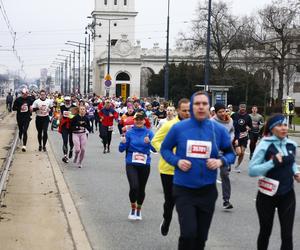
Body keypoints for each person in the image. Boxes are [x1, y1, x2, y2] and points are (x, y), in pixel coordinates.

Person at [160, 91, 236, 250]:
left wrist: (220, 161)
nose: (201, 107)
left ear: (209, 107)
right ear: (192, 106)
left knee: (201, 238)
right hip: (184, 190)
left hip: (207, 191)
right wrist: (177, 161)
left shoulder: (218, 130)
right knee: (188, 234)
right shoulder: (179, 128)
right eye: (197, 104)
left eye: (204, 104)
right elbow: (165, 149)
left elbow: (231, 154)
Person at [249, 114, 300, 250]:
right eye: (279, 125)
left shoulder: (292, 144)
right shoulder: (264, 145)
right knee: (266, 231)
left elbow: (291, 163)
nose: (283, 128)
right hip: (267, 195)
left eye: (285, 125)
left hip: (287, 194)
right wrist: (272, 163)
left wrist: (296, 172)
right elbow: (252, 170)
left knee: (287, 235)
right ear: (272, 128)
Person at [151, 98, 190, 236]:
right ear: (178, 111)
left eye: (189, 110)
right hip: (168, 169)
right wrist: (167, 153)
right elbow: (155, 140)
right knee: (170, 200)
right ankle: (167, 219)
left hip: (186, 170)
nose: (187, 113)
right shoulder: (169, 125)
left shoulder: (194, 126)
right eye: (184, 110)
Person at [119, 111, 155, 221]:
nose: (139, 121)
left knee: (141, 188)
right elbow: (121, 150)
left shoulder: (149, 133)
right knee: (134, 186)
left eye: (141, 119)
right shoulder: (129, 133)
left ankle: (139, 210)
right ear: (134, 121)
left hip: (145, 163)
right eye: (137, 119)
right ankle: (133, 208)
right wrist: (123, 142)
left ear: (144, 120)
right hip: (131, 163)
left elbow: (155, 149)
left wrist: (149, 143)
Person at [212, 103, 235, 209]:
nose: (222, 113)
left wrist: (228, 139)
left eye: (224, 111)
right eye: (220, 112)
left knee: (225, 174)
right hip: (213, 151)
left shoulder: (230, 121)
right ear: (215, 113)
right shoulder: (211, 122)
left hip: (225, 151)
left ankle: (226, 200)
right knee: (209, 175)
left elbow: (232, 132)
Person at [231, 103, 252, 173]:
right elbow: (229, 122)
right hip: (236, 136)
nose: (242, 109)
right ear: (239, 108)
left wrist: (249, 128)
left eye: (244, 108)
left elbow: (250, 126)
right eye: (241, 107)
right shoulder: (234, 115)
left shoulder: (248, 117)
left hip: (244, 136)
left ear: (245, 109)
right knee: (238, 152)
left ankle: (237, 166)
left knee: (242, 153)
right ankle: (230, 157)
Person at [59, 96, 76, 163]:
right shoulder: (62, 106)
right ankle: (65, 156)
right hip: (64, 125)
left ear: (70, 100)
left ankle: (71, 149)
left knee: (71, 141)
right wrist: (59, 120)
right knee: (65, 140)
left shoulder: (73, 106)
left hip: (71, 126)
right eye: (66, 100)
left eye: (68, 100)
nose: (67, 101)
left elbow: (75, 115)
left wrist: (71, 116)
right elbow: (61, 114)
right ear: (64, 101)